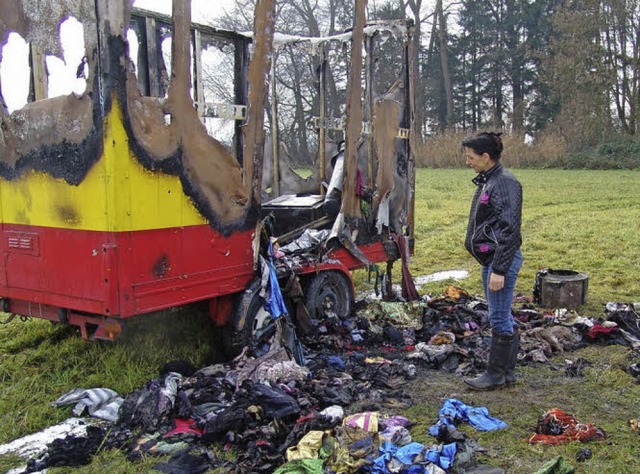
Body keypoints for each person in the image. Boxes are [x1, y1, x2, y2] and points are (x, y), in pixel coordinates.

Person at [462, 132, 523, 390]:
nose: (468, 162)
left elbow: (511, 230)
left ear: (486, 157)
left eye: (471, 157)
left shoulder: (505, 183)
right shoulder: (490, 180)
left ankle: (494, 375)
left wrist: (499, 269)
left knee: (498, 317)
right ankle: (507, 372)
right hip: (493, 258)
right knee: (502, 313)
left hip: (501, 260)